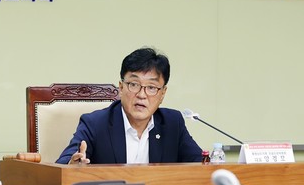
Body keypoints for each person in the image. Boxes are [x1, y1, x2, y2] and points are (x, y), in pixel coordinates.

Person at [57, 47, 202, 164]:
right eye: (134, 84)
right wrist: (72, 165)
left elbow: (200, 165)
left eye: (151, 87)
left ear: (162, 94)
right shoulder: (95, 124)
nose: (142, 95)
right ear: (121, 88)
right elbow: (63, 163)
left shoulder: (173, 123)